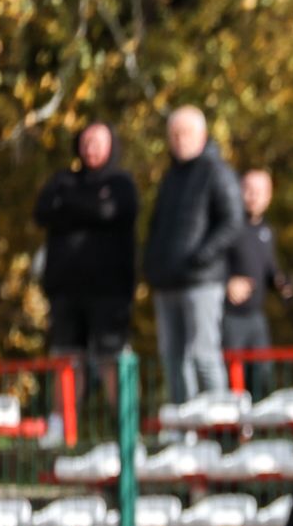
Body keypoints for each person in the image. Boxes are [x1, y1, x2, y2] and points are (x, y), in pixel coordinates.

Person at [33, 121, 138, 408]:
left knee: (112, 358)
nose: (91, 148)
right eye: (87, 141)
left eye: (99, 142)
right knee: (67, 359)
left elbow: (110, 211)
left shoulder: (121, 183)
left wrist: (67, 205)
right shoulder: (62, 179)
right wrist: (90, 205)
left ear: (111, 145)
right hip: (66, 290)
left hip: (109, 291)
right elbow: (42, 212)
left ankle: (127, 433)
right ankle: (62, 429)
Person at [144, 106, 242, 403]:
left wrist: (201, 256)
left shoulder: (216, 171)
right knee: (173, 359)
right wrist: (152, 264)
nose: (179, 140)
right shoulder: (171, 177)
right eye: (173, 134)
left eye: (185, 132)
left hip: (202, 281)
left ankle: (221, 426)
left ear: (202, 135)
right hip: (168, 282)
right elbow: (157, 225)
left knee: (203, 354)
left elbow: (232, 221)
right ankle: (184, 429)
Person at [224, 169, 286, 396]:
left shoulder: (266, 230)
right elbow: (212, 262)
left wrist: (282, 283)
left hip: (256, 316)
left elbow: (270, 268)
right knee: (234, 376)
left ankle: (259, 425)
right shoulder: (229, 226)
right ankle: (236, 429)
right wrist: (227, 283)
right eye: (248, 190)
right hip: (231, 316)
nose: (253, 196)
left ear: (268, 196)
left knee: (262, 373)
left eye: (259, 191)